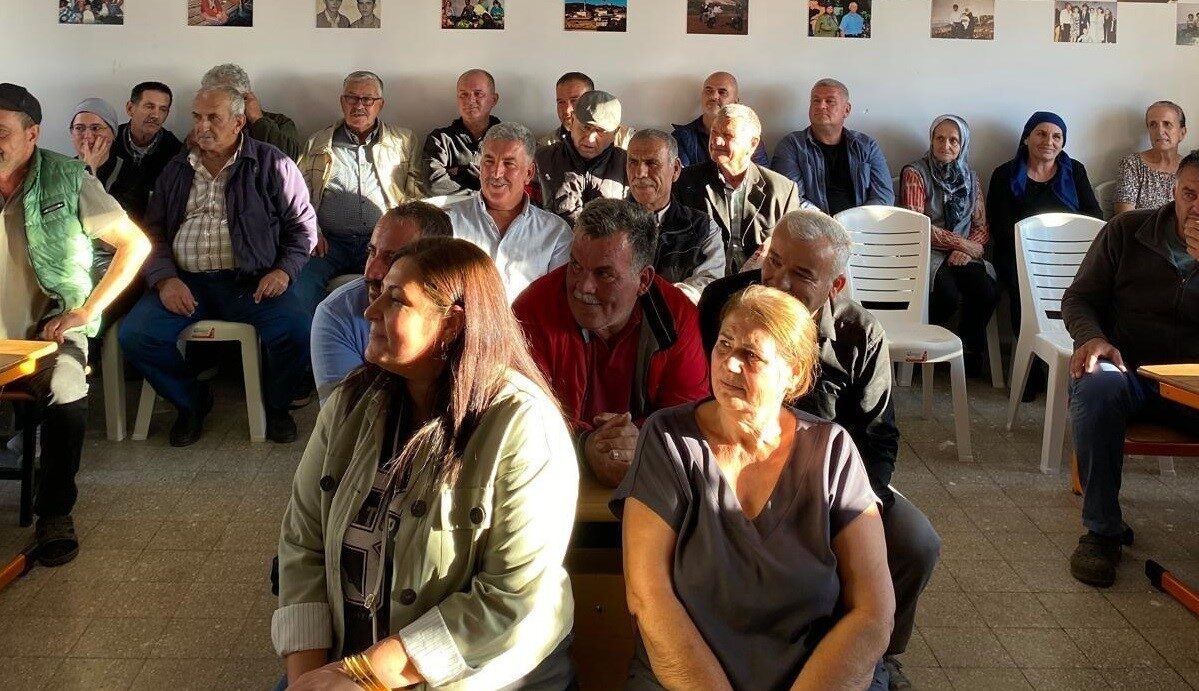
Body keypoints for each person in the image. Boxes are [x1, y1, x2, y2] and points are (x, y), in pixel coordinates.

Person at [276, 237, 578, 690]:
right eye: (379, 293)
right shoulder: (352, 405)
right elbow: (302, 543)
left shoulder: (523, 426)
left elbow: (509, 598)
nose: (370, 311)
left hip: (475, 678)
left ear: (451, 324)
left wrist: (364, 674)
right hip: (347, 669)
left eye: (396, 300)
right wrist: (310, 678)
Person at [697, 210, 939, 689]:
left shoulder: (859, 333)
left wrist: (853, 510)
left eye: (803, 274)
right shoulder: (724, 303)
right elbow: (698, 397)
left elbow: (879, 437)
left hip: (831, 481)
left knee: (917, 541)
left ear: (835, 284)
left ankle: (880, 650)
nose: (779, 282)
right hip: (735, 465)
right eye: (774, 262)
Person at [615, 284, 895, 690]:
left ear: (793, 373)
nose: (729, 364)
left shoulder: (831, 451)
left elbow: (873, 612)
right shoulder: (668, 439)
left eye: (751, 355)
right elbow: (648, 596)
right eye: (724, 344)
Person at [0, 83, 151, 566]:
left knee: (67, 390)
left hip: (48, 331)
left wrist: (86, 311)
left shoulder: (67, 179)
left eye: (1, 132)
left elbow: (135, 246)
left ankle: (54, 512)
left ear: (32, 134)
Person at [118, 85, 317, 447]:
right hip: (186, 283)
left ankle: (277, 405)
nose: (202, 126)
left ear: (239, 122)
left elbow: (302, 227)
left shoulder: (271, 163)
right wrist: (164, 280)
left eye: (213, 118)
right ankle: (192, 401)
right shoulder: (177, 168)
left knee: (296, 330)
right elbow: (152, 232)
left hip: (250, 283)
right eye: (197, 116)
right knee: (136, 335)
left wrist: (283, 271)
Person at [1063, 150, 1199, 588]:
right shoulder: (1127, 230)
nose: (1197, 208)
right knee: (1095, 384)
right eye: (1190, 194)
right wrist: (1092, 338)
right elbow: (1079, 298)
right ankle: (1102, 532)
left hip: (1192, 385)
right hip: (1131, 372)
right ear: (1173, 191)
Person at [512, 199, 710, 488]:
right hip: (549, 482)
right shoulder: (532, 310)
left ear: (644, 280)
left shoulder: (678, 321)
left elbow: (689, 419)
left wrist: (638, 443)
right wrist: (585, 445)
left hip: (654, 485)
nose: (583, 287)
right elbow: (519, 413)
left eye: (604, 274)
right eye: (575, 265)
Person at [293, 71, 421, 313]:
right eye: (352, 98)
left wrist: (402, 238)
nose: (359, 105)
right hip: (330, 243)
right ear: (342, 101)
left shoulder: (403, 142)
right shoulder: (318, 142)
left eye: (367, 99)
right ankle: (320, 334)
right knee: (300, 286)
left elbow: (416, 196)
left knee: (406, 286)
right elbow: (299, 195)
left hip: (383, 242)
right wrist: (312, 230)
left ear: (380, 104)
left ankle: (384, 334)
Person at [311, 202, 452, 403]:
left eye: (392, 258)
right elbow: (344, 416)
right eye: (372, 252)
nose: (371, 272)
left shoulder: (462, 309)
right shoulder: (336, 314)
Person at [986, 111, 1102, 337]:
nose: (1049, 141)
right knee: (1025, 290)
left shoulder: (1075, 171)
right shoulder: (1004, 174)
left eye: (1056, 136)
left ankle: (1078, 343)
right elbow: (1000, 227)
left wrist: (1062, 247)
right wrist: (1039, 250)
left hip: (1069, 253)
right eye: (1041, 134)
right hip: (1019, 255)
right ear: (1027, 138)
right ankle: (1031, 350)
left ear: (1062, 143)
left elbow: (1093, 216)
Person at [899, 115, 998, 376]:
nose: (946, 145)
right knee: (946, 295)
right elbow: (918, 225)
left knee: (987, 290)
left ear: (962, 144)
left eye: (954, 140)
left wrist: (965, 249)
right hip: (927, 252)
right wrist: (962, 244)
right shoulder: (915, 173)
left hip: (963, 254)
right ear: (931, 140)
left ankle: (967, 352)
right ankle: (922, 352)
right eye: (940, 138)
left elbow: (981, 226)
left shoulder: (971, 178)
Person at [447, 122, 571, 303]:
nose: (496, 173)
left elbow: (557, 304)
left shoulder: (555, 233)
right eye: (489, 161)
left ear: (529, 173)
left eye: (509, 163)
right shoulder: (449, 221)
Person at [675, 104, 805, 275]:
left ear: (752, 144)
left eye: (727, 135)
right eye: (714, 132)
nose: (716, 141)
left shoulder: (783, 190)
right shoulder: (685, 182)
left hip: (759, 283)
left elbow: (792, 249)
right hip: (702, 281)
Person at [627, 128, 725, 302]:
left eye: (652, 163)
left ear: (676, 169)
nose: (640, 173)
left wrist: (648, 303)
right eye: (633, 162)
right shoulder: (606, 222)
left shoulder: (703, 229)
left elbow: (707, 285)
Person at [771, 78, 894, 215]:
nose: (821, 106)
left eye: (830, 101)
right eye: (816, 101)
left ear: (846, 110)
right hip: (812, 225)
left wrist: (855, 221)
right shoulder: (791, 146)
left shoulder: (867, 146)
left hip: (863, 224)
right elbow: (791, 198)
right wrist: (828, 223)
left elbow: (884, 196)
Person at [535, 90, 629, 223]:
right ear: (572, 120)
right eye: (585, 127)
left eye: (601, 131)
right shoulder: (542, 159)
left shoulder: (628, 165)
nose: (590, 139)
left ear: (615, 133)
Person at [422, 69, 500, 198]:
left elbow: (514, 183)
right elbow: (434, 185)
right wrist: (480, 194)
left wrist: (460, 171)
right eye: (463, 94)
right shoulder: (440, 140)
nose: (470, 100)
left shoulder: (509, 139)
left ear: (494, 99)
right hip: (453, 211)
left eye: (478, 94)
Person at [200, 63, 303, 160]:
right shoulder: (205, 125)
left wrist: (257, 119)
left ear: (244, 97)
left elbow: (288, 158)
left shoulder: (280, 122)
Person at [670, 72, 768, 168]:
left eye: (722, 92)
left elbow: (760, 176)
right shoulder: (682, 137)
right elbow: (682, 177)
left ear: (735, 102)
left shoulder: (748, 137)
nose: (714, 96)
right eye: (709, 91)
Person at [1114, 101, 1187, 214]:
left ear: (1182, 133)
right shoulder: (1132, 164)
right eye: (1153, 125)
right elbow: (1124, 217)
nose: (1160, 131)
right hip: (1141, 226)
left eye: (1167, 124)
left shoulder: (1190, 168)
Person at [538, 72, 633, 151]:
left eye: (574, 101)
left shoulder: (627, 140)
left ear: (592, 99)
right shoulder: (545, 146)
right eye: (561, 102)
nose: (567, 110)